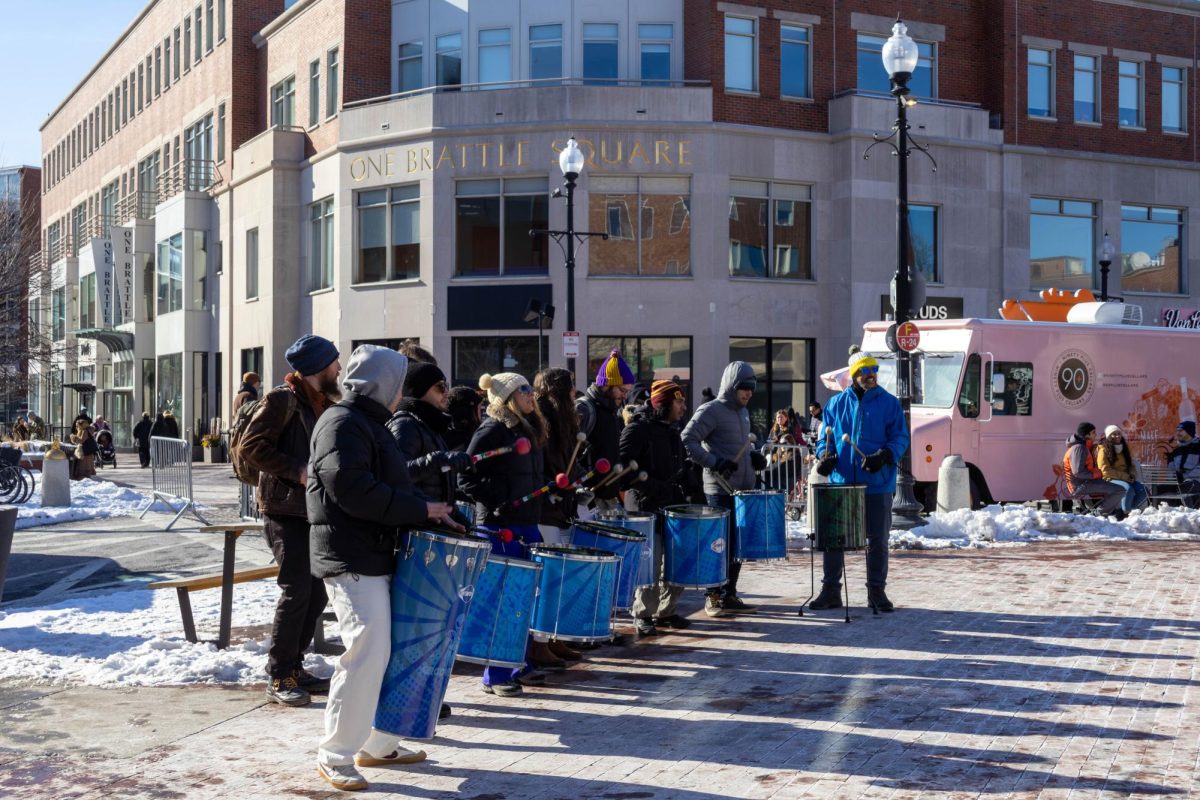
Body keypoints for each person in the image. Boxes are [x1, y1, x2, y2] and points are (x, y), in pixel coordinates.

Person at [308, 345, 457, 792]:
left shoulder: (367, 424)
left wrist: (430, 511)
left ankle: (377, 743)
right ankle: (335, 752)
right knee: (367, 651)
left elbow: (389, 485)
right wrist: (419, 509)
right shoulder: (341, 423)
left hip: (372, 552)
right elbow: (352, 489)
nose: (401, 392)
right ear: (382, 384)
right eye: (397, 382)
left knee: (388, 652)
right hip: (350, 556)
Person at [240, 334, 341, 708]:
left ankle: (294, 667)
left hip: (312, 509)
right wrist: (296, 470)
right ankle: (279, 673)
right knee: (297, 588)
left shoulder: (321, 402)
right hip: (283, 509)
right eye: (334, 362)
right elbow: (249, 447)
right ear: (318, 367)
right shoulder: (282, 400)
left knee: (315, 591)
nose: (340, 368)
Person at [458, 372, 555, 696]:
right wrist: (501, 498)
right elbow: (466, 478)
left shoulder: (530, 429)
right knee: (502, 602)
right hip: (500, 528)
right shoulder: (492, 429)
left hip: (527, 524)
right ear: (508, 397)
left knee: (524, 599)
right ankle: (495, 675)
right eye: (523, 389)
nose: (531, 394)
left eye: (530, 388)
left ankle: (518, 662)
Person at [811, 353, 910, 613]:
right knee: (834, 540)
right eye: (864, 371)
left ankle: (876, 591)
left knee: (877, 540)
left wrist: (885, 455)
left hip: (877, 485)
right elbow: (824, 438)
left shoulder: (890, 404)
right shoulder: (835, 404)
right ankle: (831, 590)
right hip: (841, 482)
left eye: (873, 370)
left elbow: (900, 437)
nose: (870, 375)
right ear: (854, 375)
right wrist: (825, 455)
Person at [681, 361, 768, 617]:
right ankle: (713, 596)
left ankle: (730, 592)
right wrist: (714, 462)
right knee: (719, 544)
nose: (748, 394)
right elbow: (687, 439)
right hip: (718, 489)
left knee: (738, 545)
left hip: (742, 489)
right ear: (731, 386)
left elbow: (735, 447)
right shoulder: (712, 410)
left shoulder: (743, 413)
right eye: (744, 389)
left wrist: (753, 457)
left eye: (751, 389)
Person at [620, 380, 698, 636]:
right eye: (679, 402)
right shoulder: (637, 430)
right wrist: (653, 486)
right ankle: (642, 614)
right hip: (644, 507)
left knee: (676, 562)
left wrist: (689, 483)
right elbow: (623, 470)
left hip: (671, 506)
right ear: (663, 404)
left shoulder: (673, 432)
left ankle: (666, 610)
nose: (684, 407)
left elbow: (678, 468)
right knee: (649, 564)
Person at [532, 367, 586, 665]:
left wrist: (576, 480)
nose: (574, 394)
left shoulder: (563, 421)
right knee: (548, 579)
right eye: (570, 388)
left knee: (558, 578)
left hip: (559, 508)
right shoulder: (542, 420)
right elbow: (540, 463)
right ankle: (539, 643)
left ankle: (552, 637)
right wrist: (553, 485)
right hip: (544, 508)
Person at [576, 350, 634, 516]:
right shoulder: (584, 409)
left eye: (627, 392)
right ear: (606, 385)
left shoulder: (612, 411)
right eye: (622, 390)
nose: (624, 397)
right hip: (587, 501)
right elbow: (567, 453)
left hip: (608, 499)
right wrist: (580, 487)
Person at [1062, 422, 1126, 519]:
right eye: (1093, 432)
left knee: (1115, 486)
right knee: (1119, 490)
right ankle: (1096, 515)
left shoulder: (1083, 446)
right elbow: (1078, 472)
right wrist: (1097, 473)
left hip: (1085, 482)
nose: (1095, 434)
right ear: (1087, 434)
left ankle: (1114, 513)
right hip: (1080, 485)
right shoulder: (1079, 448)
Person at [1097, 424, 1148, 514]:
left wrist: (1131, 475)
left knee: (1143, 490)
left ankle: (1131, 512)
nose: (1117, 436)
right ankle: (1125, 512)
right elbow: (1105, 470)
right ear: (1108, 436)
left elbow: (1131, 464)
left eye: (1119, 433)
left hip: (1126, 477)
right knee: (1128, 489)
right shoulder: (1103, 450)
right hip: (1110, 478)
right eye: (1114, 434)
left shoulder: (1124, 448)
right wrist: (1125, 477)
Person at [1167, 421, 1200, 508]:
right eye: (1177, 430)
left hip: (1196, 481)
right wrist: (1173, 478)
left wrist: (1184, 476)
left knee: (1187, 486)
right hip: (1180, 482)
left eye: (1181, 430)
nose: (1178, 433)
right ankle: (1168, 515)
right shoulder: (1176, 450)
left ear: (1189, 431)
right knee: (1163, 488)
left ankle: (1190, 513)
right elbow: (1171, 469)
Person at [444, 385, 483, 452]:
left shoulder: (442, 434)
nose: (481, 413)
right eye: (479, 409)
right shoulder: (468, 441)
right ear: (467, 412)